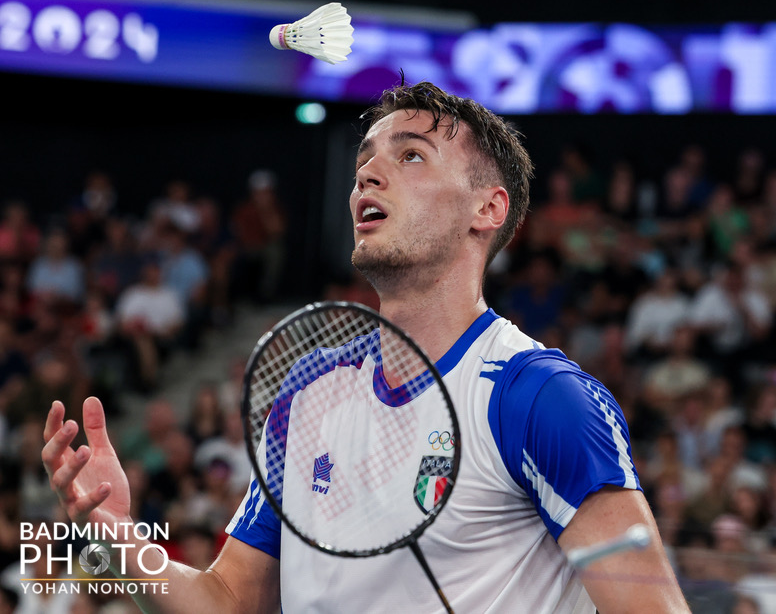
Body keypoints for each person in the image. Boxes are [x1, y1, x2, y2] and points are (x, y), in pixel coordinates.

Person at [42, 81, 688, 613]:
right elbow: (230, 600)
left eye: (411, 156)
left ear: (487, 209)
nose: (367, 176)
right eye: (364, 162)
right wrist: (119, 534)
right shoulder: (306, 391)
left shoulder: (542, 398)